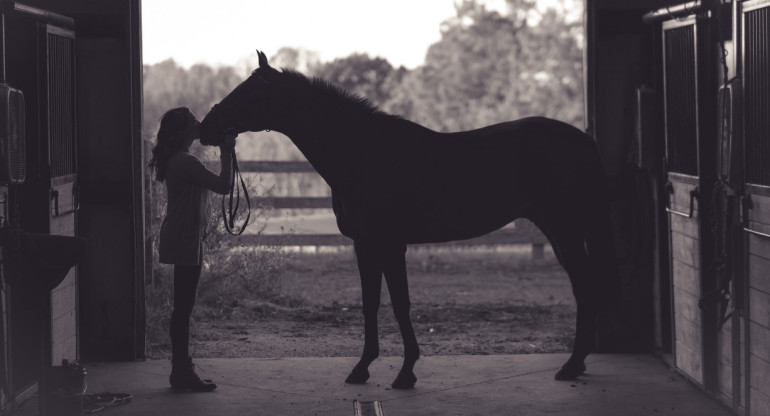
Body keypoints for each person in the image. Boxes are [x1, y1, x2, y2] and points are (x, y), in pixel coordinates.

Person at [148, 107, 236, 392]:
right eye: (193, 121)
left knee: (183, 307)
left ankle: (181, 369)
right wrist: (227, 151)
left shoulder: (179, 160)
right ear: (183, 130)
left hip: (185, 235)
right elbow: (224, 185)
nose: (199, 123)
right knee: (184, 308)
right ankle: (182, 371)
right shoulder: (186, 161)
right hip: (185, 237)